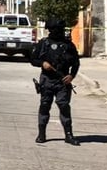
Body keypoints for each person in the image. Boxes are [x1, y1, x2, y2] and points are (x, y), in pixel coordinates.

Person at [30, 17, 81, 145]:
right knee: (45, 106)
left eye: (59, 29)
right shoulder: (43, 43)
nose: (57, 32)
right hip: (47, 80)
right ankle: (41, 134)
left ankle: (68, 135)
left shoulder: (68, 45)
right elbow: (32, 60)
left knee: (63, 106)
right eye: (54, 29)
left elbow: (76, 63)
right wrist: (42, 63)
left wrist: (71, 76)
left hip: (62, 81)